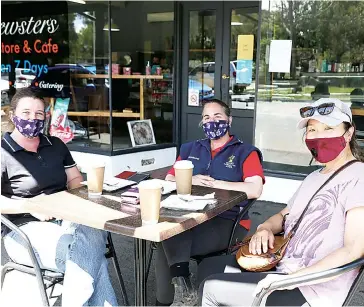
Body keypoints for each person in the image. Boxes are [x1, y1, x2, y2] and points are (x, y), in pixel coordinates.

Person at [198, 98, 364, 306]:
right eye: (312, 130)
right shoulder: (314, 177)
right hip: (283, 264)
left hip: (311, 288)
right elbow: (284, 215)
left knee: (212, 288)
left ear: (348, 134)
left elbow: (353, 250)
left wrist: (292, 279)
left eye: (328, 128)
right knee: (207, 268)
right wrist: (265, 228)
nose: (318, 136)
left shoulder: (359, 176)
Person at [1, 88, 118, 306]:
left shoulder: (55, 144)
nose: (32, 119)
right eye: (26, 113)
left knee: (90, 235)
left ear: (45, 116)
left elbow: (74, 180)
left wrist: (77, 197)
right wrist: (32, 205)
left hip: (65, 219)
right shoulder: (3, 152)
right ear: (12, 115)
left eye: (38, 114)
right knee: (90, 257)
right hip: (23, 230)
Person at [155, 99, 265, 306]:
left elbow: (255, 189)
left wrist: (217, 183)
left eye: (218, 117)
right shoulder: (190, 149)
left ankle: (172, 298)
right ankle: (180, 292)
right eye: (207, 117)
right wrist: (191, 179)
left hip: (227, 221)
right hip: (190, 215)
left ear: (229, 120)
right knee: (168, 233)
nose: (211, 122)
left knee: (169, 238)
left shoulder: (246, 152)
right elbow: (170, 179)